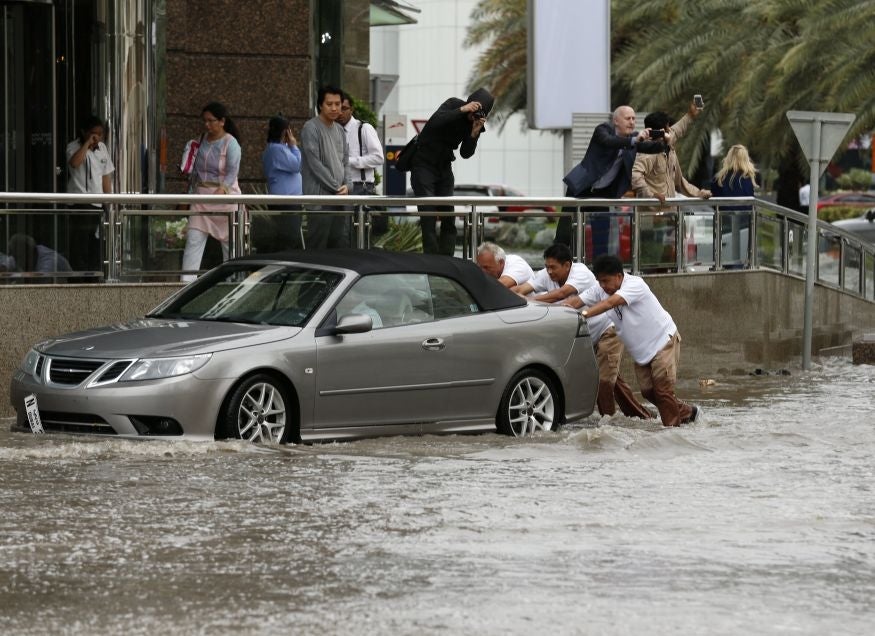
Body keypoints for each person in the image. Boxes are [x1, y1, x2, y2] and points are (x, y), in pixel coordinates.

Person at [573, 254, 698, 427]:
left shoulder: (635, 284)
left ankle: (671, 434)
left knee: (662, 391)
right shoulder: (599, 289)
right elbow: (576, 301)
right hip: (642, 352)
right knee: (648, 392)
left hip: (663, 341)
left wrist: (584, 314)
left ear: (619, 276)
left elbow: (611, 303)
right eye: (599, 281)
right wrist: (557, 310)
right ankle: (687, 412)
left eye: (606, 281)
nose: (603, 286)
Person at [557, 105, 664, 254]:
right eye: (628, 118)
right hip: (581, 188)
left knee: (601, 237)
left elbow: (652, 147)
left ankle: (600, 271)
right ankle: (556, 263)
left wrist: (666, 139)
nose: (632, 122)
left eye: (634, 119)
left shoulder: (633, 139)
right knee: (565, 232)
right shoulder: (603, 130)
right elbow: (609, 142)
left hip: (603, 194)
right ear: (616, 121)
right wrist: (634, 140)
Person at [411, 87, 493, 255]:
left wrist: (474, 133)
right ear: (470, 103)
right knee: (428, 215)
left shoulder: (476, 123)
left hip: (444, 166)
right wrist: (462, 110)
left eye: (480, 112)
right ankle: (431, 259)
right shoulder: (453, 104)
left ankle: (447, 259)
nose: (475, 115)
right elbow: (435, 122)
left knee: (449, 215)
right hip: (423, 163)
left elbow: (465, 153)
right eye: (475, 109)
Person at [181, 101, 242, 282]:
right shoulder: (200, 141)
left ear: (222, 121)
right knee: (193, 240)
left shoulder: (231, 143)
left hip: (225, 200)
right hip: (201, 198)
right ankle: (184, 283)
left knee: (229, 246)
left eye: (211, 121)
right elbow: (193, 172)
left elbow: (233, 171)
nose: (207, 125)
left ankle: (233, 285)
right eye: (205, 121)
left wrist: (223, 188)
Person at [300, 85, 350, 249]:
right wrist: (337, 187)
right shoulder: (311, 127)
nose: (334, 108)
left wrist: (347, 186)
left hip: (340, 199)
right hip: (320, 199)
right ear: (320, 105)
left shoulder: (340, 130)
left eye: (338, 104)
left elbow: (345, 161)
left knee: (338, 247)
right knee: (317, 248)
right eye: (330, 104)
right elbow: (315, 164)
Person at [66, 114, 114, 275]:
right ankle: (78, 277)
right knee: (79, 244)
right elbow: (74, 163)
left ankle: (94, 275)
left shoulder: (103, 149)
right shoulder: (74, 147)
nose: (97, 137)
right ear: (84, 132)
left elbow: (106, 176)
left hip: (97, 202)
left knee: (95, 242)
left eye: (100, 134)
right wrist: (87, 144)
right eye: (93, 133)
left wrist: (109, 201)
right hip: (79, 202)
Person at [337, 93, 387, 237]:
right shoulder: (334, 130)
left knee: (359, 234)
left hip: (361, 187)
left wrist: (350, 161)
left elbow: (378, 158)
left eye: (344, 108)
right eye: (338, 108)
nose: (340, 112)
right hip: (339, 188)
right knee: (343, 234)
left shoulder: (363, 128)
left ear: (351, 109)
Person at [258, 115, 303, 252]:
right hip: (286, 201)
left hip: (288, 200)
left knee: (288, 237)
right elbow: (297, 165)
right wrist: (294, 145)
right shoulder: (277, 149)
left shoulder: (278, 148)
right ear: (285, 131)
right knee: (289, 237)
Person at [711, 144, 757, 263]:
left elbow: (714, 200)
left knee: (723, 259)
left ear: (729, 158)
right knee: (742, 261)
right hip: (745, 225)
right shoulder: (748, 179)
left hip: (723, 225)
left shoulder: (719, 179)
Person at [514, 242, 597, 303]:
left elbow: (561, 294)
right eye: (547, 267)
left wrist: (529, 300)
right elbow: (520, 289)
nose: (549, 271)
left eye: (553, 267)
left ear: (567, 265)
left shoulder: (581, 272)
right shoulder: (546, 273)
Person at [3, 234, 72, 280]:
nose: (17, 260)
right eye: (15, 256)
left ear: (29, 252)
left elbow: (39, 282)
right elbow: (4, 266)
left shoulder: (49, 259)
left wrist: (17, 274)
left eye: (19, 257)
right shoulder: (19, 256)